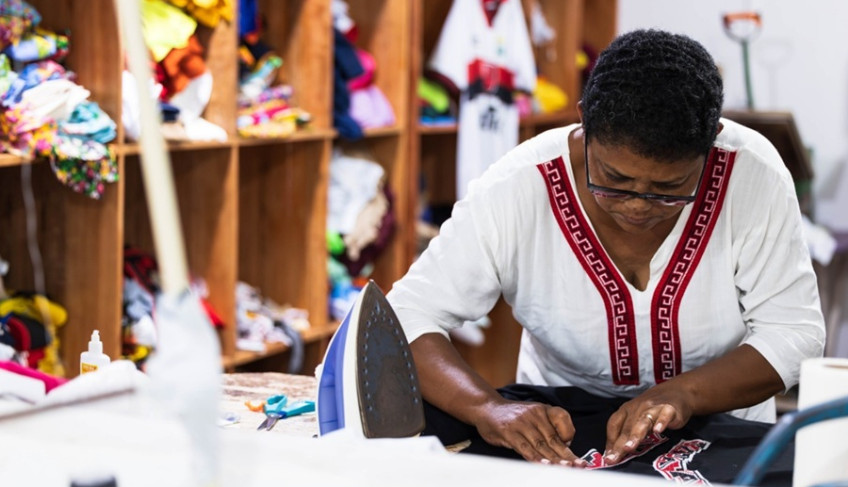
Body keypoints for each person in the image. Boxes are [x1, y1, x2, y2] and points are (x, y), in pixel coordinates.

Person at [386, 29, 825, 468]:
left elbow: (794, 334)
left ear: (712, 143)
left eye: (669, 189)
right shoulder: (519, 185)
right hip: (561, 433)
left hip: (721, 429)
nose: (637, 206)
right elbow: (405, 315)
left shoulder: (754, 175)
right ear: (584, 121)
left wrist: (683, 393)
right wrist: (486, 407)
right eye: (613, 181)